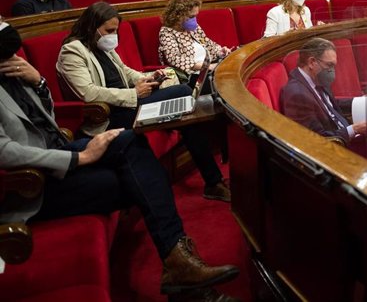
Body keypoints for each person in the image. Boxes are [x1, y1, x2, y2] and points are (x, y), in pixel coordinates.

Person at [0, 22, 240, 296]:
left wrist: (39, 84)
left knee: (129, 141)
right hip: (32, 182)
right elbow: (5, 151)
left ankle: (180, 266)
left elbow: (46, 120)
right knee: (142, 178)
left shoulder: (13, 72)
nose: (13, 59)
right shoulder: (72, 52)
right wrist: (80, 157)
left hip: (60, 150)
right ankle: (185, 277)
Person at [56, 2, 231, 203]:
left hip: (129, 104)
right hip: (111, 116)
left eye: (115, 30)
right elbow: (88, 93)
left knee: (187, 115)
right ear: (91, 26)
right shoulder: (72, 51)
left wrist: (147, 77)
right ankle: (213, 182)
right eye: (109, 30)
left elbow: (124, 71)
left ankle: (213, 181)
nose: (113, 35)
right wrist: (134, 93)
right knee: (184, 94)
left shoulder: (102, 45)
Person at [280, 37, 367, 147]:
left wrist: (362, 100)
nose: (332, 71)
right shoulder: (298, 95)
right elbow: (317, 139)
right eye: (329, 65)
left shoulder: (315, 79)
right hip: (336, 147)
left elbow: (332, 105)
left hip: (344, 134)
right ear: (312, 62)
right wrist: (354, 129)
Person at [158, 0, 234, 81]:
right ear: (178, 15)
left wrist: (220, 51)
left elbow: (207, 43)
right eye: (191, 16)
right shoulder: (167, 32)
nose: (194, 20)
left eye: (196, 16)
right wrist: (207, 67)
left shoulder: (194, 27)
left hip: (209, 68)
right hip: (193, 76)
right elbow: (174, 58)